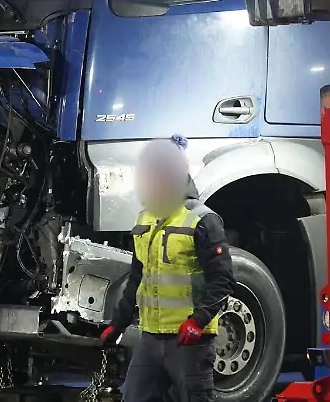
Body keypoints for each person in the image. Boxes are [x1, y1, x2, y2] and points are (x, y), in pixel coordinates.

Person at [100, 135, 235, 402]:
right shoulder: (144, 220)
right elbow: (137, 280)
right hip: (150, 340)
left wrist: (198, 321)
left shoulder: (202, 220)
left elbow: (223, 280)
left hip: (189, 342)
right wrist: (117, 324)